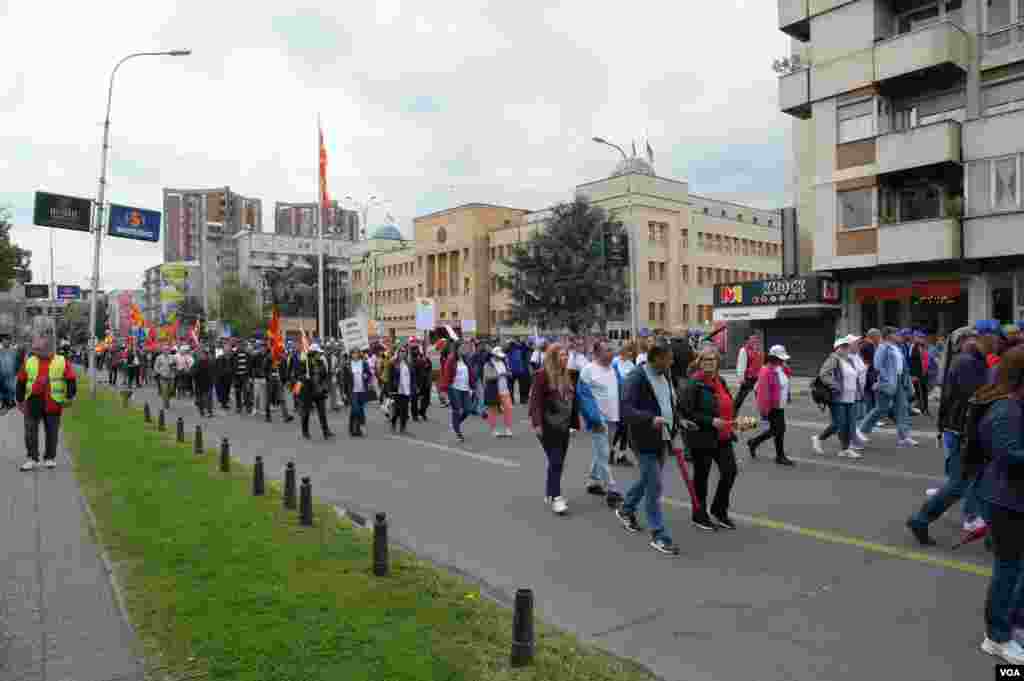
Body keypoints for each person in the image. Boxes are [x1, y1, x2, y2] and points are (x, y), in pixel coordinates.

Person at [906, 327, 988, 546]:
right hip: (963, 429)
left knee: (966, 480)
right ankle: (921, 519)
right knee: (960, 483)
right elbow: (975, 397)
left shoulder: (969, 360)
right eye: (975, 337)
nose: (979, 341)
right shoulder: (966, 361)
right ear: (964, 342)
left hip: (961, 427)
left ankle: (971, 517)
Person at [977, 347, 1024, 664]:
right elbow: (1010, 457)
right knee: (1008, 569)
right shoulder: (1005, 410)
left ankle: (1014, 623)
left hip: (1014, 498)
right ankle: (997, 637)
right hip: (1006, 501)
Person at [614, 343, 681, 553]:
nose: (672, 362)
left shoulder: (665, 374)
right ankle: (659, 534)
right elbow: (625, 409)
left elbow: (667, 402)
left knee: (647, 478)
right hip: (644, 439)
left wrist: (679, 421)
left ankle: (626, 509)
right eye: (668, 359)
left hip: (664, 437)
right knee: (655, 485)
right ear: (656, 358)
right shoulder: (636, 377)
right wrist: (650, 419)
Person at [679, 346, 738, 533]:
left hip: (723, 436)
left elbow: (727, 404)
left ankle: (719, 511)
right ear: (699, 362)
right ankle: (699, 514)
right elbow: (686, 412)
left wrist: (733, 423)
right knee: (701, 478)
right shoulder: (694, 384)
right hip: (702, 437)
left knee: (730, 472)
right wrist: (712, 421)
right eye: (705, 360)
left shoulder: (719, 380)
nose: (709, 363)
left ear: (717, 363)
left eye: (712, 360)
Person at [528, 343, 576, 516]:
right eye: (562, 355)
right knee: (556, 460)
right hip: (547, 426)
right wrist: (537, 424)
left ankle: (550, 491)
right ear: (553, 357)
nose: (565, 358)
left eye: (566, 355)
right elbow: (535, 401)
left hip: (563, 426)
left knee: (558, 462)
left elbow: (570, 400)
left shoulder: (567, 375)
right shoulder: (542, 375)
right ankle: (557, 497)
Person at [16, 335, 77, 471]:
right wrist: (19, 399)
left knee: (52, 431)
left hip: (53, 401)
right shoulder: (29, 361)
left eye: (43, 347)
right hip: (33, 401)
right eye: (38, 347)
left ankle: (50, 458)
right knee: (30, 431)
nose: (40, 349)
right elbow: (21, 380)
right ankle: (32, 458)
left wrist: (70, 396)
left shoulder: (61, 361)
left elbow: (71, 378)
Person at [577, 341, 623, 504]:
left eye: (612, 350)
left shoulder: (613, 368)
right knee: (604, 454)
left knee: (603, 451)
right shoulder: (588, 370)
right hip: (598, 419)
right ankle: (612, 488)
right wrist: (594, 418)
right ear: (597, 353)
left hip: (613, 418)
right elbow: (583, 397)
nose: (612, 353)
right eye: (608, 350)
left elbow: (619, 390)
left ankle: (593, 481)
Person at [858, 327, 916, 447]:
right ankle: (861, 431)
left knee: (902, 408)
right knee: (881, 408)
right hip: (888, 381)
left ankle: (904, 437)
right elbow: (877, 365)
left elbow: (902, 366)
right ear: (889, 335)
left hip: (899, 381)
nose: (899, 336)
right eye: (896, 334)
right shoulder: (883, 347)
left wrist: (907, 380)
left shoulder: (897, 347)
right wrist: (884, 378)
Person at [813, 335, 863, 459]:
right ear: (837, 348)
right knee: (840, 423)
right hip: (838, 397)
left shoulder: (850, 360)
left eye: (847, 346)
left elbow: (855, 377)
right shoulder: (834, 359)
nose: (846, 348)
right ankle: (843, 448)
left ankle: (842, 447)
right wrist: (836, 386)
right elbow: (823, 374)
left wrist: (859, 393)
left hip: (851, 397)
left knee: (846, 423)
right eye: (843, 346)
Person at [748, 344, 795, 466]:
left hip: (780, 405)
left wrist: (784, 365)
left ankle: (754, 442)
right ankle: (780, 456)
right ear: (774, 358)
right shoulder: (766, 371)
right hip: (772, 406)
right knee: (779, 430)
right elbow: (763, 393)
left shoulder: (780, 368)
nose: (783, 360)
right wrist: (764, 410)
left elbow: (789, 374)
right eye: (781, 358)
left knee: (776, 430)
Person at [440, 342, 476, 443]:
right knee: (457, 410)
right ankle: (458, 433)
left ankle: (455, 423)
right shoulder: (451, 359)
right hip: (454, 388)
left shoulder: (466, 359)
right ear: (456, 349)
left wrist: (473, 386)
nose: (464, 349)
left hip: (465, 388)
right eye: (462, 347)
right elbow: (446, 375)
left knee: (468, 410)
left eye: (464, 347)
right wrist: (443, 390)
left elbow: (471, 372)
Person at [484, 347, 514, 437]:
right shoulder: (488, 364)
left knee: (508, 408)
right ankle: (493, 429)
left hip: (505, 390)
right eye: (498, 356)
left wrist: (508, 374)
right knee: (492, 410)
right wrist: (499, 375)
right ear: (493, 355)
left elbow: (510, 373)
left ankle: (508, 429)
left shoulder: (504, 362)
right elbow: (488, 377)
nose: (500, 357)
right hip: (494, 390)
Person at [344, 348, 372, 437]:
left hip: (362, 390)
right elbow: (344, 380)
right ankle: (359, 426)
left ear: (359, 354)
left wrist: (366, 376)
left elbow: (369, 374)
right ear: (351, 354)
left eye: (356, 353)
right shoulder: (347, 364)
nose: (355, 355)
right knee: (356, 409)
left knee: (359, 409)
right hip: (352, 391)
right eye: (353, 353)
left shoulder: (364, 363)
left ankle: (354, 429)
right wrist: (344, 392)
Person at [733, 333, 763, 413]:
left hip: (757, 378)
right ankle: (733, 411)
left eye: (756, 339)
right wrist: (741, 378)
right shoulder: (744, 350)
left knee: (760, 397)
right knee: (741, 396)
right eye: (752, 339)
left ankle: (763, 415)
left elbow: (760, 364)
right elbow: (741, 364)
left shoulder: (758, 350)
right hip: (748, 378)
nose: (755, 340)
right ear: (747, 341)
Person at [263, 349, 294, 424]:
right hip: (270, 381)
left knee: (282, 398)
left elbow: (284, 370)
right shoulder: (267, 359)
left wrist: (285, 380)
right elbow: (264, 369)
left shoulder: (281, 359)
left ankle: (286, 416)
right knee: (268, 398)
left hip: (278, 380)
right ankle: (268, 416)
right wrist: (268, 377)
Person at [388, 347, 414, 434]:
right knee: (397, 410)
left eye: (404, 352)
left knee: (405, 410)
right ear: (398, 353)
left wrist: (413, 388)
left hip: (406, 391)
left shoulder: (409, 364)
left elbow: (412, 377)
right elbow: (390, 378)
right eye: (401, 352)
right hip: (397, 390)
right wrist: (390, 389)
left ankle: (403, 427)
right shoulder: (393, 363)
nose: (403, 353)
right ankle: (393, 422)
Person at [411, 346, 432, 421]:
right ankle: (414, 415)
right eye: (414, 350)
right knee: (414, 400)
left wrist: (426, 362)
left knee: (426, 400)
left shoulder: (424, 358)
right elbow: (412, 370)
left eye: (417, 349)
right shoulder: (411, 360)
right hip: (416, 382)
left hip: (426, 382)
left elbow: (429, 366)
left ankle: (422, 411)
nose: (416, 351)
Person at [192, 349, 215, 418]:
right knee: (200, 399)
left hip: (208, 383)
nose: (203, 356)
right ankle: (201, 411)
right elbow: (192, 372)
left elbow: (214, 372)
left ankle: (209, 412)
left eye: (204, 355)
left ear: (207, 355)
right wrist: (195, 373)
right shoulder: (197, 363)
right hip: (199, 384)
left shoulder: (210, 363)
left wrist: (213, 381)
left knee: (208, 398)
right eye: (201, 355)